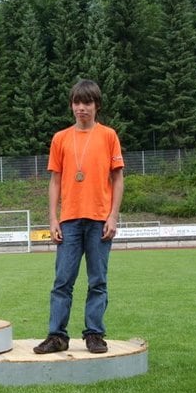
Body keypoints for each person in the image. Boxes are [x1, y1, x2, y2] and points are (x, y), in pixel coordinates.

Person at [34, 79, 124, 355]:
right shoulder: (60, 138)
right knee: (62, 281)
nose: (81, 108)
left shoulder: (108, 136)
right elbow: (55, 181)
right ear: (71, 105)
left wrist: (113, 216)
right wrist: (53, 219)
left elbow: (118, 179)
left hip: (99, 220)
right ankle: (57, 336)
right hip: (70, 220)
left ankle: (94, 334)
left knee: (98, 281)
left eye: (87, 102)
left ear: (97, 105)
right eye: (76, 102)